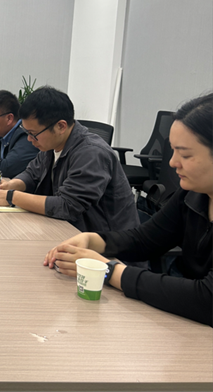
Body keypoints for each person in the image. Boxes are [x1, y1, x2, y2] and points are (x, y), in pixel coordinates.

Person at [43, 93, 213, 327]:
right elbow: (146, 239)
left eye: (185, 154)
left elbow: (206, 299)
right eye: (173, 151)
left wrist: (108, 270)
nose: (172, 163)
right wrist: (93, 240)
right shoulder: (192, 194)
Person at [0, 86, 139, 232]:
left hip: (108, 244)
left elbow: (67, 206)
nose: (29, 139)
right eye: (27, 132)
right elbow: (32, 173)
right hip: (69, 230)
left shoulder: (92, 153)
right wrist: (12, 185)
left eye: (33, 134)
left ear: (61, 126)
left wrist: (11, 196)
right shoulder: (51, 145)